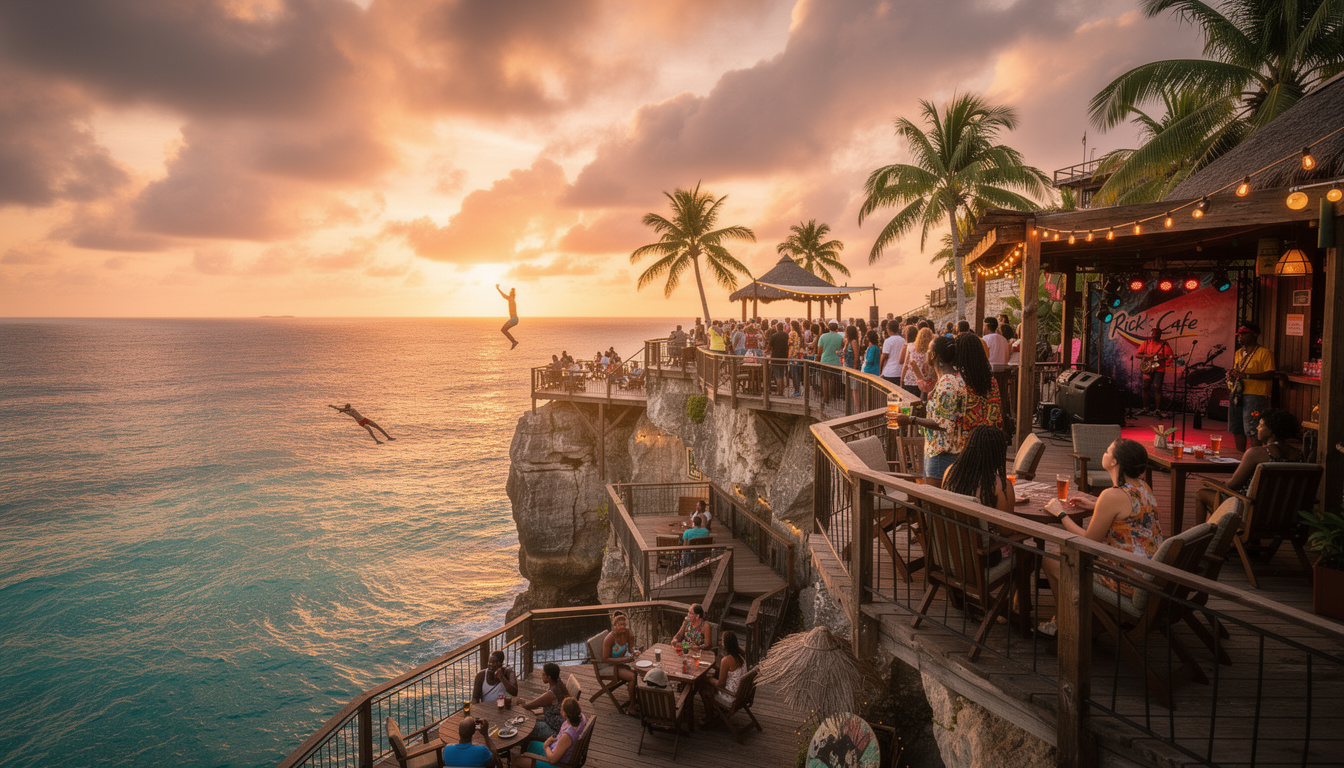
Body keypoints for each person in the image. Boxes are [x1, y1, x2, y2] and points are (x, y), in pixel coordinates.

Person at [1037, 438, 1165, 637]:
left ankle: (1064, 623)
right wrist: (1095, 504)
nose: (1104, 454)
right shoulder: (1143, 487)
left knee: (1052, 560)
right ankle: (1083, 615)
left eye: (1107, 451)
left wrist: (1060, 513)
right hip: (1148, 573)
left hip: (1126, 580)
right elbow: (1128, 512)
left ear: (1114, 462)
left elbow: (1088, 541)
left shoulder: (1111, 495)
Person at [1193, 409, 1303, 522]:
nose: (1257, 428)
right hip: (1286, 514)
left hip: (1252, 511)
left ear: (1270, 431)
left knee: (1201, 494)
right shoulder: (1299, 455)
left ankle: (1201, 536)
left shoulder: (1256, 454)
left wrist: (1212, 482)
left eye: (1260, 426)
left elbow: (1233, 484)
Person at [894, 335, 960, 487]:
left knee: (934, 505)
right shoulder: (955, 379)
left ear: (934, 355)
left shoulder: (947, 385)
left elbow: (943, 424)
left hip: (941, 454)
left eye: (929, 349)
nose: (927, 353)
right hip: (949, 450)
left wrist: (910, 420)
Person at [940, 426, 1014, 515]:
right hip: (981, 529)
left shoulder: (950, 472)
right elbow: (1006, 527)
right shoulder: (1000, 486)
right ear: (998, 453)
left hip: (953, 527)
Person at [1227, 322, 1275, 451]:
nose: (1240, 337)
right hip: (1237, 393)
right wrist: (1232, 374)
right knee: (1237, 427)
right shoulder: (1238, 353)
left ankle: (1255, 458)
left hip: (1256, 394)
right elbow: (1239, 369)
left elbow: (1271, 373)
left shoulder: (1264, 353)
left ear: (1254, 335)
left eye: (1244, 334)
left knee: (1253, 428)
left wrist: (1246, 375)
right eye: (1239, 334)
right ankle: (1240, 459)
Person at [517, 697, 586, 768]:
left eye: (562, 709)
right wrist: (556, 740)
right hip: (561, 751)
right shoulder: (581, 718)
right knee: (532, 744)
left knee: (517, 761)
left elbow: (553, 760)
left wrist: (546, 747)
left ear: (566, 714)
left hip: (559, 764)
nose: (560, 711)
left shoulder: (568, 735)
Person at [955, 333, 1003, 433]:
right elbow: (996, 412)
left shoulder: (959, 382)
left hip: (967, 440)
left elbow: (956, 417)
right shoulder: (991, 380)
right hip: (990, 437)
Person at [697, 630, 746, 727]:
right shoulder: (741, 654)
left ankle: (709, 716)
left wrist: (708, 679)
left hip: (732, 696)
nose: (721, 642)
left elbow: (720, 684)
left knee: (704, 689)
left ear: (726, 644)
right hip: (742, 692)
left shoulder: (726, 660)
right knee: (711, 677)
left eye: (722, 640)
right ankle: (715, 711)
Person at [522, 662, 571, 740]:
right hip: (559, 721)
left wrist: (521, 704)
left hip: (555, 729)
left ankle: (527, 748)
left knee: (527, 726)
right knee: (532, 718)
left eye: (543, 674)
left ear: (549, 677)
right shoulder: (559, 684)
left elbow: (530, 705)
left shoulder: (551, 694)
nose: (542, 676)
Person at [599, 612, 638, 706]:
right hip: (612, 666)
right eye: (620, 625)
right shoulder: (609, 639)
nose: (623, 627)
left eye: (624, 624)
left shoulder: (626, 633)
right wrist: (624, 660)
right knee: (633, 677)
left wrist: (634, 651)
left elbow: (631, 648)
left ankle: (633, 693)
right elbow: (605, 659)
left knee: (640, 672)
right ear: (614, 626)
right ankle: (631, 707)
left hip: (623, 662)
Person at [1135, 326, 1173, 416]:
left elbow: (1170, 356)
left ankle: (1157, 410)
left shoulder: (1164, 344)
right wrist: (1147, 357)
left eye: (1157, 334)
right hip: (1148, 368)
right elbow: (1137, 355)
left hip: (1159, 368)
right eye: (1154, 334)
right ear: (1151, 335)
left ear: (1160, 335)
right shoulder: (1146, 343)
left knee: (1157, 387)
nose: (1155, 335)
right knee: (1145, 387)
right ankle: (1145, 409)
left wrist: (1167, 359)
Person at [328, 404, 395, 444]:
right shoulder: (347, 412)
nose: (349, 408)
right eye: (347, 407)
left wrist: (341, 410)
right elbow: (339, 409)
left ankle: (389, 437)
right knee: (370, 430)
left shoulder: (352, 409)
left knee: (378, 427)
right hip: (360, 422)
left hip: (364, 419)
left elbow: (344, 410)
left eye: (349, 407)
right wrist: (333, 407)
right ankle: (377, 441)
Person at [901, 327, 933, 399]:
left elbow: (905, 365)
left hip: (909, 380)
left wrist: (901, 379)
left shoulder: (910, 346)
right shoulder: (930, 350)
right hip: (924, 382)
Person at [880, 319, 906, 386]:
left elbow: (884, 357)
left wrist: (880, 371)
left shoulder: (888, 341)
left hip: (889, 372)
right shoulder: (903, 340)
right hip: (900, 372)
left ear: (888, 329)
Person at [769, 322, 791, 395]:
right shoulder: (786, 335)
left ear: (777, 328)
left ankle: (779, 392)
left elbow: (770, 347)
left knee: (778, 376)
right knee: (781, 374)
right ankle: (781, 391)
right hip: (784, 357)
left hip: (775, 357)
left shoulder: (773, 336)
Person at [496, 285, 519, 349]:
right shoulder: (512, 300)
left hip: (514, 319)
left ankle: (514, 342)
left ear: (511, 295)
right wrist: (512, 291)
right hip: (515, 319)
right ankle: (514, 342)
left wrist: (498, 289)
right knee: (504, 330)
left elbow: (503, 295)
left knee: (503, 330)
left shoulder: (510, 299)